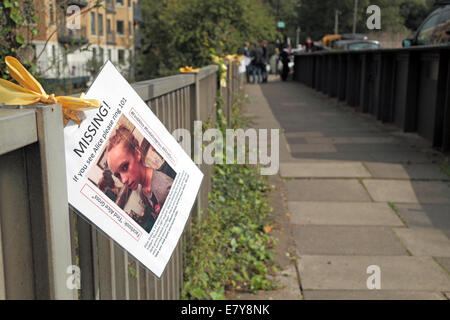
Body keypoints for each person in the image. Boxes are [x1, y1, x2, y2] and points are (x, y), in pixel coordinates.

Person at [107, 125, 174, 233]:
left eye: (125, 167)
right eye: (118, 175)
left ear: (137, 154)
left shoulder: (164, 189)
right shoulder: (143, 190)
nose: (123, 180)